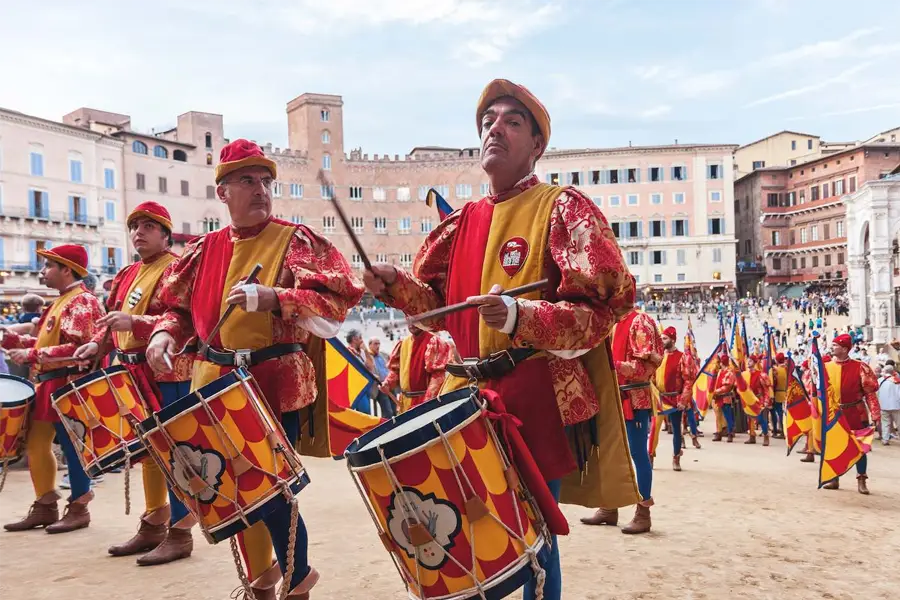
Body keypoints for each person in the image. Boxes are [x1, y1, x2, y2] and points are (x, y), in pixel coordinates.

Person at [363, 79, 639, 600]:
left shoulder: (563, 207)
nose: (496, 128)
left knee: (533, 542)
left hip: (533, 397)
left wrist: (521, 315)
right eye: (489, 121)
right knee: (467, 536)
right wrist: (395, 286)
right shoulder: (462, 223)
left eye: (512, 121)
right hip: (462, 400)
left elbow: (601, 311)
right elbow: (434, 314)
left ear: (537, 145)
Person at [145, 139, 363, 599]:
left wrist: (276, 298)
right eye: (247, 180)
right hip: (212, 381)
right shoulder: (204, 250)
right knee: (231, 491)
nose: (261, 188)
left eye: (265, 180)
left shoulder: (294, 239)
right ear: (223, 192)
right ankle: (262, 581)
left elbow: (335, 306)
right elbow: (175, 309)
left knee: (270, 490)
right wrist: (164, 334)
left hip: (268, 381)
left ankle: (298, 580)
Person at [73, 202, 197, 566]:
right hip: (131, 371)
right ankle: (155, 521)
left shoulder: (177, 267)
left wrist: (139, 325)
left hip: (168, 370)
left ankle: (181, 531)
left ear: (165, 233)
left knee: (175, 451)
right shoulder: (128, 272)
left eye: (147, 226)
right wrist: (97, 343)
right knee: (148, 452)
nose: (138, 232)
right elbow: (113, 320)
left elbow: (183, 317)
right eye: (134, 226)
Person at [1, 245, 105, 533]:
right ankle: (46, 503)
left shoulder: (82, 301)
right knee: (36, 442)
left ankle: (79, 505)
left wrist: (32, 355)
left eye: (48, 266)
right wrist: (13, 341)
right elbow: (44, 345)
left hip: (68, 382)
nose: (42, 271)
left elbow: (78, 348)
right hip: (51, 381)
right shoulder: (61, 301)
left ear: (66, 269)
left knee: (72, 445)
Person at [584, 308, 661, 532]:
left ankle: (643, 512)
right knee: (608, 451)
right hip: (611, 396)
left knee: (638, 453)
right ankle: (609, 507)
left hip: (633, 397)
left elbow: (646, 368)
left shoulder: (640, 321)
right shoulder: (609, 322)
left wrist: (612, 366)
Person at [821, 334, 880, 494]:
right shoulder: (825, 367)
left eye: (835, 345)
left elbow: (870, 393)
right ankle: (834, 478)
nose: (832, 348)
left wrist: (875, 414)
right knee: (833, 446)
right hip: (835, 414)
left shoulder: (860, 367)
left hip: (856, 412)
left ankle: (862, 479)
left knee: (859, 447)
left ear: (845, 348)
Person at [380, 326, 451, 412]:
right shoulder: (403, 343)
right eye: (408, 319)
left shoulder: (434, 341)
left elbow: (438, 377)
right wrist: (388, 383)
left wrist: (427, 403)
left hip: (424, 403)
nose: (411, 324)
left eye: (414, 319)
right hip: (405, 403)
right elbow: (395, 370)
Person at [655, 326, 697, 471]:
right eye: (661, 338)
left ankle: (676, 457)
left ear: (672, 340)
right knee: (654, 428)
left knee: (676, 430)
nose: (662, 341)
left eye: (665, 338)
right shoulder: (658, 356)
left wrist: (683, 400)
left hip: (674, 399)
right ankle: (650, 455)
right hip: (659, 398)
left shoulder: (683, 357)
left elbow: (688, 380)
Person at [744, 354, 771, 446]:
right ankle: (752, 436)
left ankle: (766, 436)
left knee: (761, 419)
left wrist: (767, 400)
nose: (748, 362)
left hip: (759, 400)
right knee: (749, 419)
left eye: (750, 361)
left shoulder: (761, 375)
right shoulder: (745, 375)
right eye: (748, 360)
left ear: (755, 363)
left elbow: (766, 390)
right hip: (749, 399)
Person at [712, 354, 736, 442]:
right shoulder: (719, 372)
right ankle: (719, 433)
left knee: (728, 416)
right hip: (718, 398)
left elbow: (727, 386)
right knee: (718, 416)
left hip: (725, 397)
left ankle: (730, 433)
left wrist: (716, 391)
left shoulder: (730, 372)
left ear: (722, 363)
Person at [877, 364, 900, 445]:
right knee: (898, 423)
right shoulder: (897, 380)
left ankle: (885, 439)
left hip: (883, 405)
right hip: (896, 405)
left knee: (885, 423)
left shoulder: (879, 380)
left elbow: (876, 393)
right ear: (893, 371)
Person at [770, 352, 788, 438]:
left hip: (777, 393)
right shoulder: (787, 369)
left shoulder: (775, 370)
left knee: (777, 412)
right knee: (783, 413)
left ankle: (778, 431)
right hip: (785, 392)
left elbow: (773, 382)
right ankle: (782, 430)